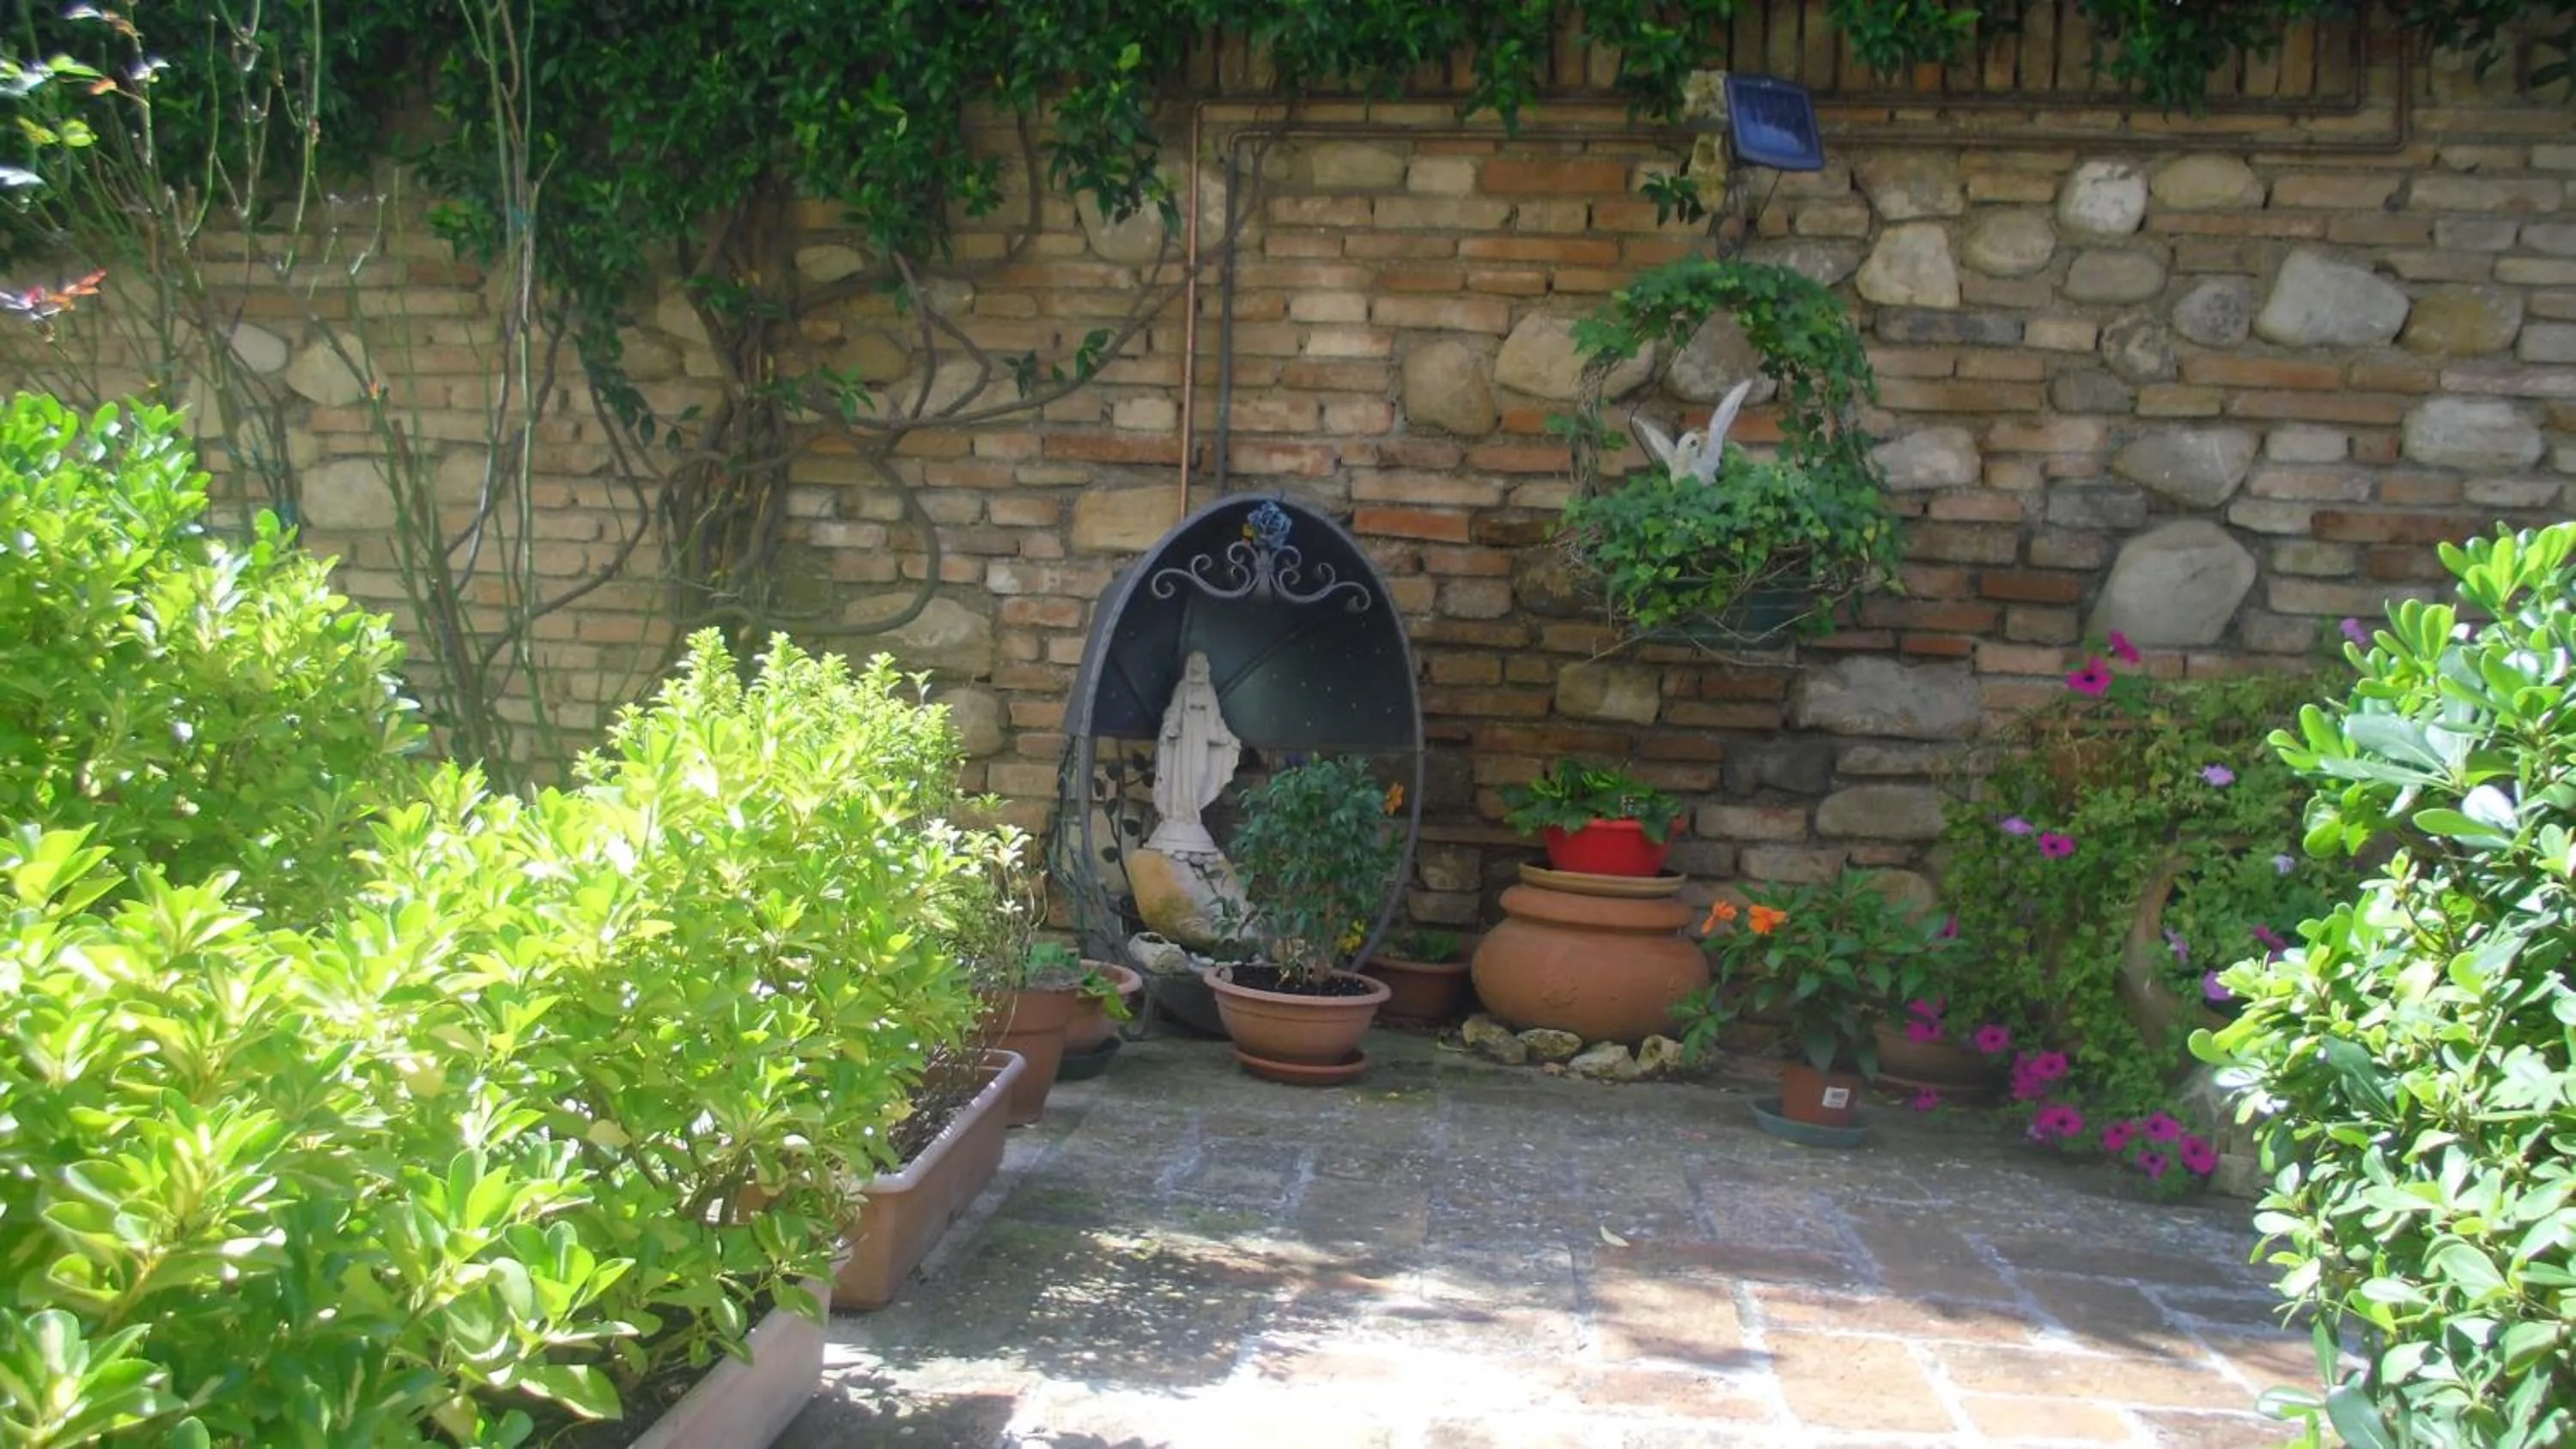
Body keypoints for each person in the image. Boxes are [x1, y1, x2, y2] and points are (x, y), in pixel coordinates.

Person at [1146, 651, 1240, 856]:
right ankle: (1178, 816)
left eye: (1201, 662)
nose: (1198, 666)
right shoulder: (1183, 688)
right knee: (1181, 778)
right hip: (1183, 744)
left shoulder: (1209, 690)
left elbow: (1215, 719)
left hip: (1200, 742)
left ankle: (1191, 816)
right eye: (1194, 662)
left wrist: (1226, 738)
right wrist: (1171, 727)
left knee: (1200, 772)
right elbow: (1173, 712)